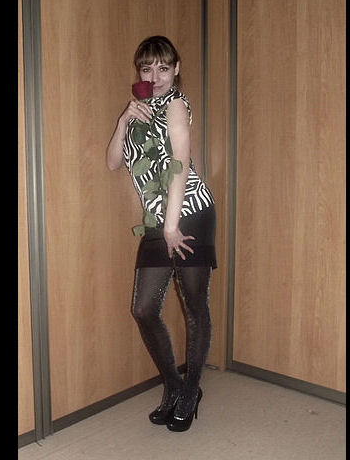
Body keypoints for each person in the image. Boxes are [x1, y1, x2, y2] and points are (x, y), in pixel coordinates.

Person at [106, 36, 217, 432]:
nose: (155, 76)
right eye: (147, 68)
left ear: (176, 69)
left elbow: (181, 165)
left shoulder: (174, 105)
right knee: (143, 309)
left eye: (163, 68)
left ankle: (190, 391)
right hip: (159, 221)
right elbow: (113, 162)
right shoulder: (138, 111)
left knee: (194, 306)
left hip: (190, 215)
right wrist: (123, 121)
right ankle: (174, 385)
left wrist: (172, 226)